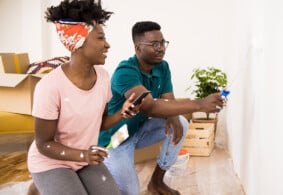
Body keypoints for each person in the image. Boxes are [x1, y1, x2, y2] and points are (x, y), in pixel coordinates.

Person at [26, 0, 142, 195]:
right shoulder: (49, 87)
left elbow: (101, 123)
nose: (107, 44)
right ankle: (43, 183)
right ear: (78, 42)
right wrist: (83, 154)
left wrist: (122, 113)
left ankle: (46, 187)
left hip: (84, 158)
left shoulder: (103, 76)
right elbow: (44, 143)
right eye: (100, 38)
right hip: (51, 161)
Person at [98, 21, 225, 195]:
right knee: (131, 191)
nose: (161, 48)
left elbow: (168, 99)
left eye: (163, 43)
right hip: (116, 140)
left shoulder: (162, 67)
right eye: (154, 44)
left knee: (180, 122)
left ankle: (156, 182)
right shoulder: (125, 72)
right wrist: (200, 104)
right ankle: (103, 169)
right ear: (138, 48)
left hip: (138, 131)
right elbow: (149, 106)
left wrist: (173, 118)